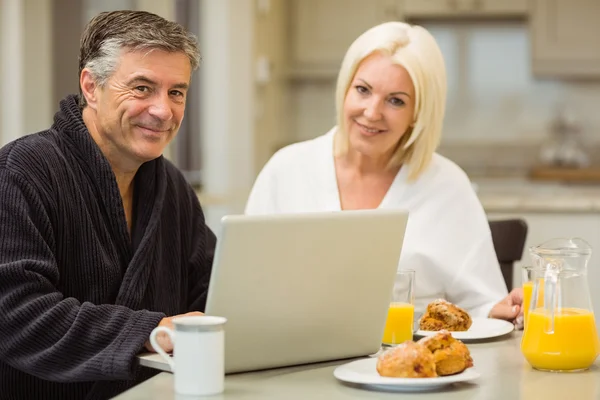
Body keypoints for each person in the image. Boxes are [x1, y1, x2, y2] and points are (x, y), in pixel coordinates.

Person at [245, 21, 523, 324]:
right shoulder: (285, 171)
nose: (372, 112)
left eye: (395, 101)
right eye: (363, 90)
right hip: (294, 357)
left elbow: (482, 305)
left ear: (418, 114)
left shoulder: (448, 185)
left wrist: (504, 309)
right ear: (345, 89)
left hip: (415, 365)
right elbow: (246, 293)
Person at [0, 10, 215, 399]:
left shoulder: (173, 188)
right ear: (91, 86)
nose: (163, 110)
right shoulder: (22, 171)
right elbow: (17, 313)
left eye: (176, 92)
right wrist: (153, 332)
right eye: (142, 88)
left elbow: (211, 297)